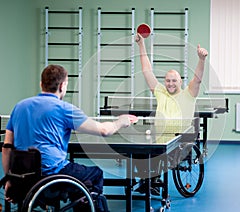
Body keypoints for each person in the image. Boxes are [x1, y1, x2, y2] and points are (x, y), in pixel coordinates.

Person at [2, 64, 135, 211]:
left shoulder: (19, 106)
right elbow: (104, 130)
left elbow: (7, 147)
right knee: (96, 174)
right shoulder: (64, 109)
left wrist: (10, 178)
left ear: (41, 84)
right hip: (53, 173)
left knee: (77, 175)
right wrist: (121, 121)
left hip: (23, 176)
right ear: (62, 85)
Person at [135, 33, 208, 195]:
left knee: (156, 155)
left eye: (174, 80)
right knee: (138, 152)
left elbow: (197, 80)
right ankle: (149, 181)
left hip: (180, 140)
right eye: (168, 80)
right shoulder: (160, 91)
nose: (170, 83)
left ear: (180, 82)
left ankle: (151, 180)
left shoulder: (188, 94)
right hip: (158, 136)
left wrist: (201, 60)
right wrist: (141, 45)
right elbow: (147, 70)